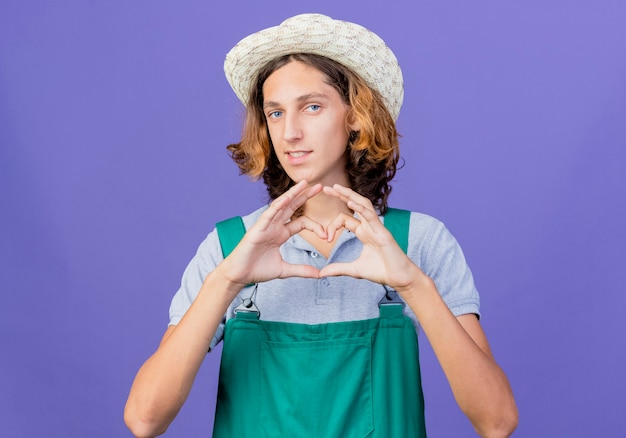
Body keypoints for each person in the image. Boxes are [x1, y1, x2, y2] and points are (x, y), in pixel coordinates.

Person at [124, 13, 518, 438]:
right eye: (275, 113)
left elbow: (497, 422)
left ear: (355, 115)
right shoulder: (230, 247)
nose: (290, 132)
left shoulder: (417, 241)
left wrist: (411, 285)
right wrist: (228, 281)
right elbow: (145, 419)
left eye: (312, 107)